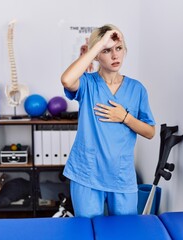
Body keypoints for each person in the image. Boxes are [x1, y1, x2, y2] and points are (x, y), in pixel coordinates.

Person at [61, 24, 156, 218]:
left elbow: (150, 132)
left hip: (121, 176)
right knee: (88, 231)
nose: (115, 56)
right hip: (86, 173)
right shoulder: (87, 83)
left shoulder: (137, 89)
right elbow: (67, 80)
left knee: (123, 233)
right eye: (106, 50)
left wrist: (125, 117)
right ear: (96, 55)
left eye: (118, 48)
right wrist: (97, 45)